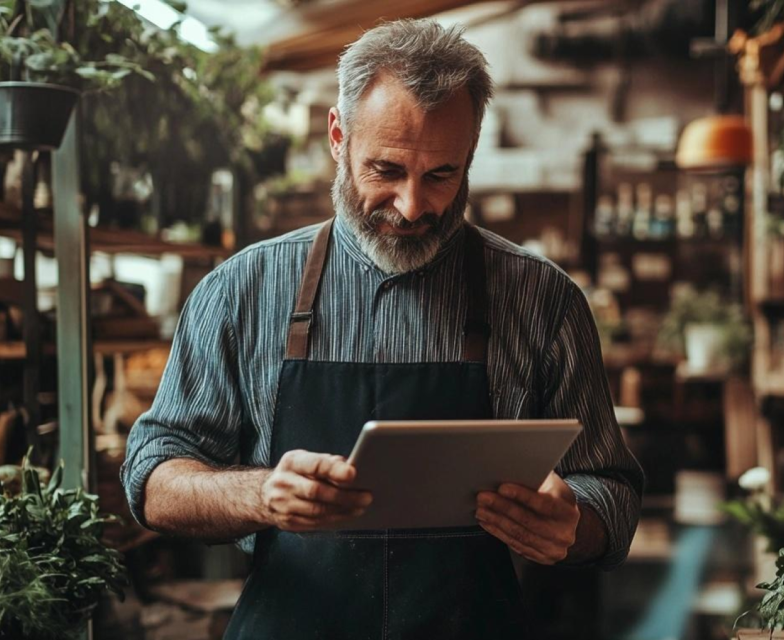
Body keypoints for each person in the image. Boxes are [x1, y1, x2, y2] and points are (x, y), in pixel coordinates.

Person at [121, 18, 643, 640]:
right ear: (338, 138)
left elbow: (613, 492)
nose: (413, 204)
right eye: (387, 169)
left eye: (442, 175)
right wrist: (263, 495)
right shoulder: (241, 291)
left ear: (471, 152)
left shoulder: (543, 300)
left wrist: (574, 524)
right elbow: (154, 478)